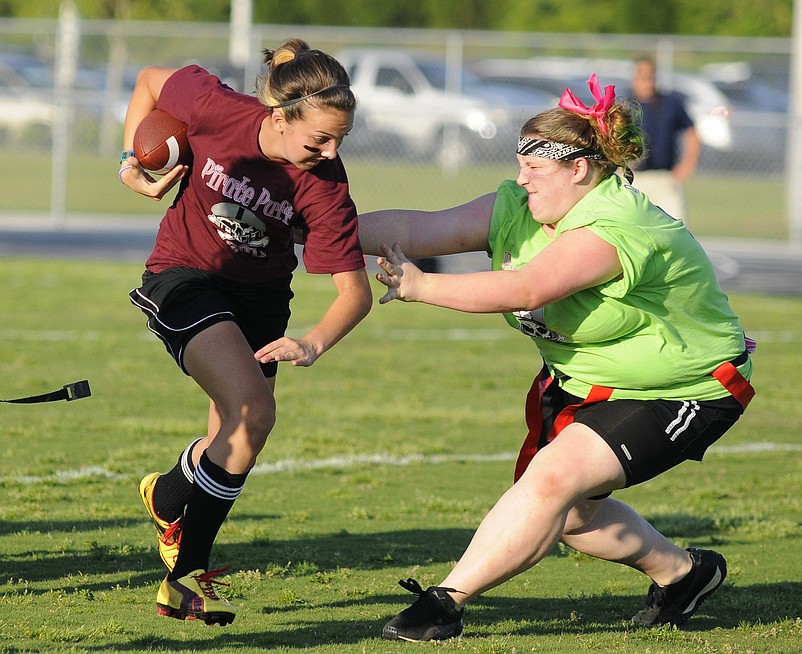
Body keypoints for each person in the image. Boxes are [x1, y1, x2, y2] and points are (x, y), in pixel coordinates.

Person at [356, 74, 754, 642]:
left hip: (689, 386)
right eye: (519, 164)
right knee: (568, 517)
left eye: (534, 169)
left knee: (551, 481)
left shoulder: (619, 224)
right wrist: (313, 228)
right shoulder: (519, 205)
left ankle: (444, 604)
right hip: (589, 380)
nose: (520, 179)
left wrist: (423, 288)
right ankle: (686, 575)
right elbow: (420, 227)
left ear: (579, 169)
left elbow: (529, 288)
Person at [119, 39, 372, 626]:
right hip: (183, 275)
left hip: (260, 303)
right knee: (254, 410)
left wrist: (313, 340)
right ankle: (185, 581)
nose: (331, 152)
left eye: (340, 139)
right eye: (320, 139)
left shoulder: (327, 183)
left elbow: (353, 293)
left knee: (238, 438)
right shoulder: (217, 108)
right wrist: (131, 164)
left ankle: (169, 495)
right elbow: (151, 77)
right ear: (280, 117)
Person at [629, 56, 701, 221]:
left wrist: (687, 164)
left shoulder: (670, 103)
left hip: (665, 178)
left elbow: (692, 132)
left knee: (676, 226)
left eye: (650, 75)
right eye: (642, 75)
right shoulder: (625, 104)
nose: (646, 81)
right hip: (635, 179)